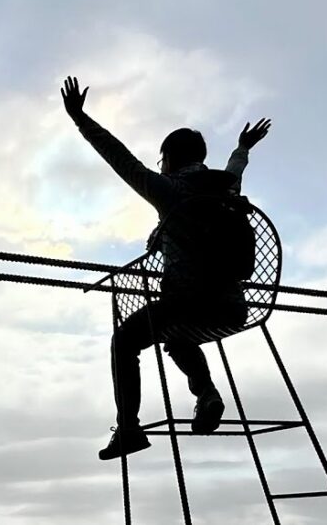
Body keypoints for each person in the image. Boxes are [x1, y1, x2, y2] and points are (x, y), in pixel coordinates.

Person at [59, 75, 271, 460]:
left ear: (169, 159)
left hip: (188, 302)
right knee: (176, 338)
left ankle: (129, 429)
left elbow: (119, 157)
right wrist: (242, 148)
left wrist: (80, 118)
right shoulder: (226, 189)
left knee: (125, 341)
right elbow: (236, 168)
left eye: (162, 160)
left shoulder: (168, 191)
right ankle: (205, 393)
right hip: (234, 307)